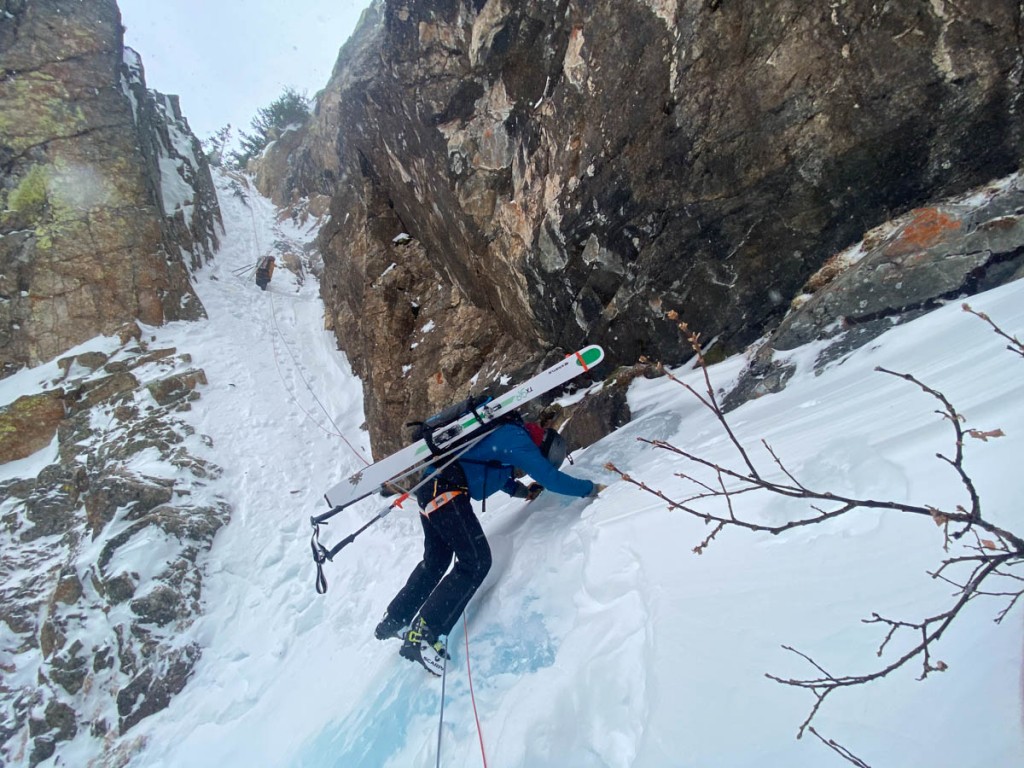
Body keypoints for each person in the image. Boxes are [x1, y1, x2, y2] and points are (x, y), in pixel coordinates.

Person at [375, 420, 606, 675]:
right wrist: (591, 489)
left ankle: (395, 618)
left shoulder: (504, 435)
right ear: (545, 449)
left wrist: (522, 492)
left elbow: (496, 473)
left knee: (436, 561)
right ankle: (424, 633)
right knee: (475, 561)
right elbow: (550, 479)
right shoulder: (518, 441)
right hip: (447, 493)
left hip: (432, 488)